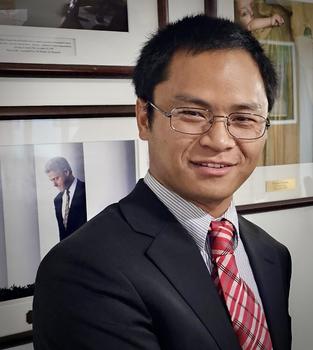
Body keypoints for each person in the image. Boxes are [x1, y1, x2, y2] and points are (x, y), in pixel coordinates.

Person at [33, 15, 292, 350]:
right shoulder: (81, 269)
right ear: (144, 118)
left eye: (244, 119)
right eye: (192, 114)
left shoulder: (271, 253)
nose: (219, 140)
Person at [45, 156, 87, 241]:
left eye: (56, 178)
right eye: (52, 180)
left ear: (66, 172)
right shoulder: (57, 200)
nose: (54, 184)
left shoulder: (86, 190)